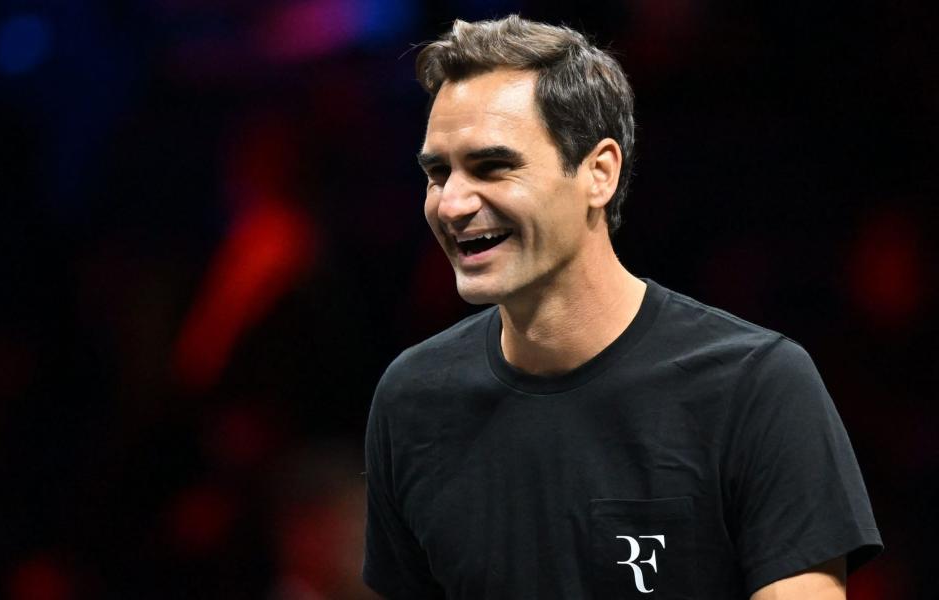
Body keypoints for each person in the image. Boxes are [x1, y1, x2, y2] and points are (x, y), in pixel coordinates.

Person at [362, 15, 881, 600]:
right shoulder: (411, 400)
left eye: (492, 167)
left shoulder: (755, 387)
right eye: (438, 173)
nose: (451, 204)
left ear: (598, 173)